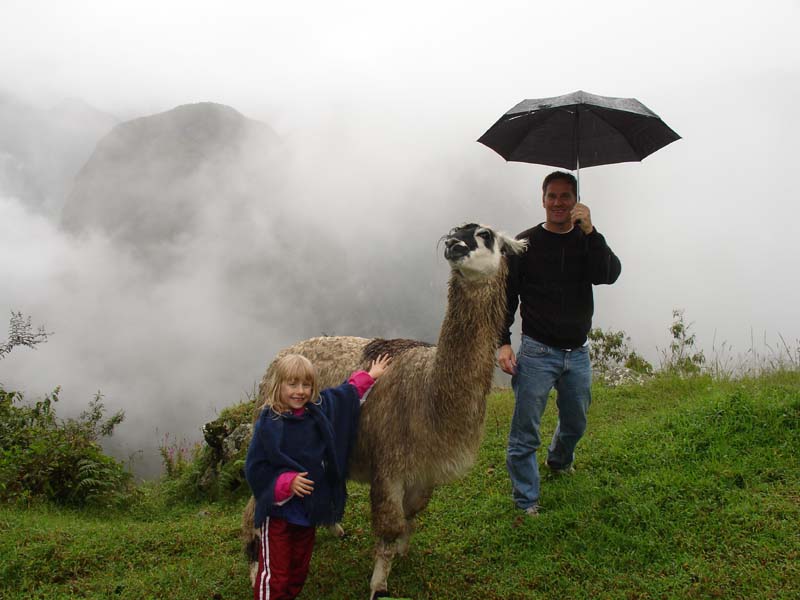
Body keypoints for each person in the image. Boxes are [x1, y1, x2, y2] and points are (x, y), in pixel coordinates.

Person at [497, 170, 621, 517]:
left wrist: (592, 232)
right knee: (525, 431)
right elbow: (506, 299)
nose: (558, 203)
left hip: (577, 352)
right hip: (537, 351)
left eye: (566, 196)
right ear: (543, 199)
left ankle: (559, 460)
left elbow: (609, 274)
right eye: (552, 196)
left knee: (576, 422)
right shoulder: (524, 245)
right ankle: (526, 500)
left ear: (575, 201)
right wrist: (503, 343)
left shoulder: (586, 240)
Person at [245, 353, 391, 600]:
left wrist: (371, 375)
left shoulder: (317, 412)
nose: (300, 392)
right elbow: (256, 468)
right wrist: (285, 483)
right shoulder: (269, 424)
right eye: (292, 384)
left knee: (298, 570)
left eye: (306, 385)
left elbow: (345, 394)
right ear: (277, 385)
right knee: (275, 573)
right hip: (278, 514)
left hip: (307, 514)